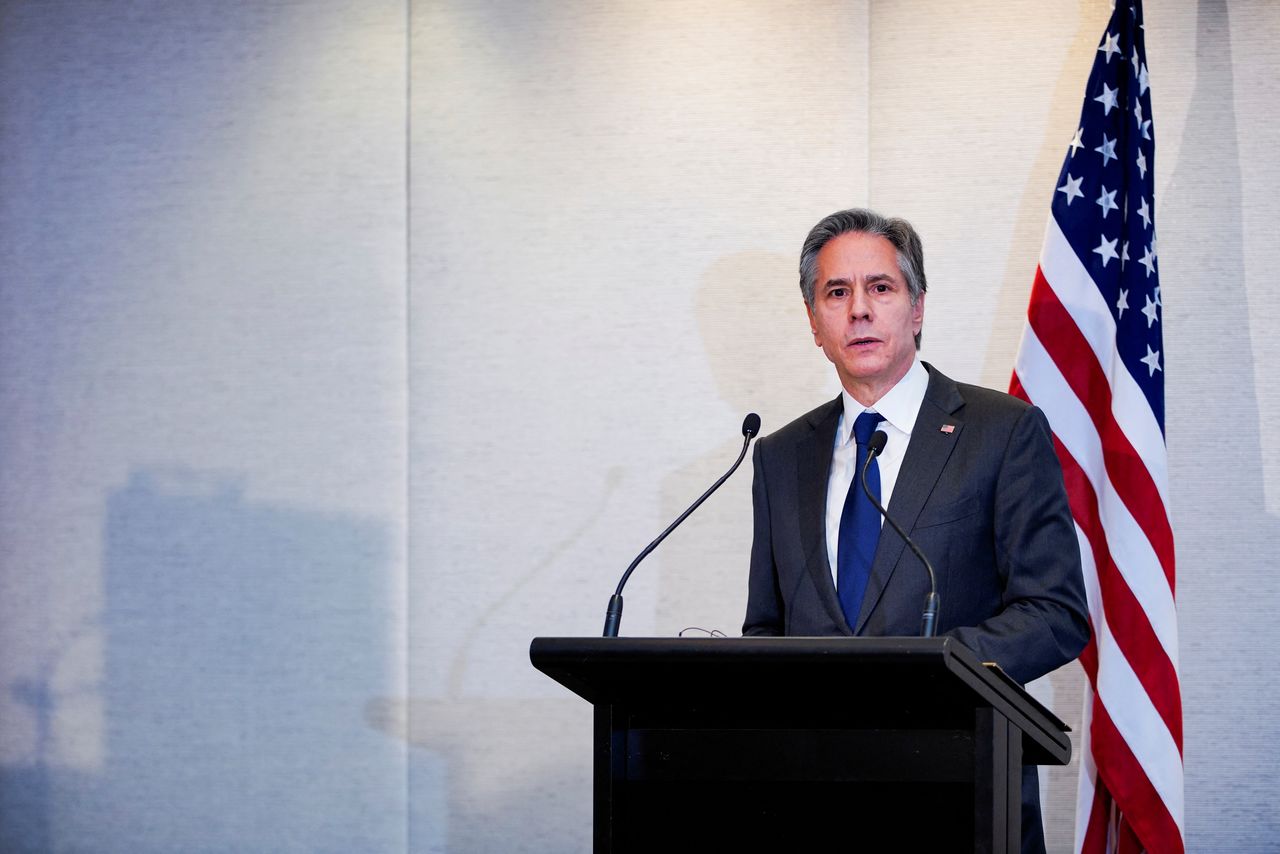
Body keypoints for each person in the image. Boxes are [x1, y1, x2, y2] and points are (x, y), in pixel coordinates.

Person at [742, 207, 1090, 853]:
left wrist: (928, 669)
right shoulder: (780, 457)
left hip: (962, 792)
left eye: (881, 287)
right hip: (813, 800)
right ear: (814, 322)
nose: (859, 310)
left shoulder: (1002, 432)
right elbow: (765, 628)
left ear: (918, 308)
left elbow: (1055, 613)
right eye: (836, 293)